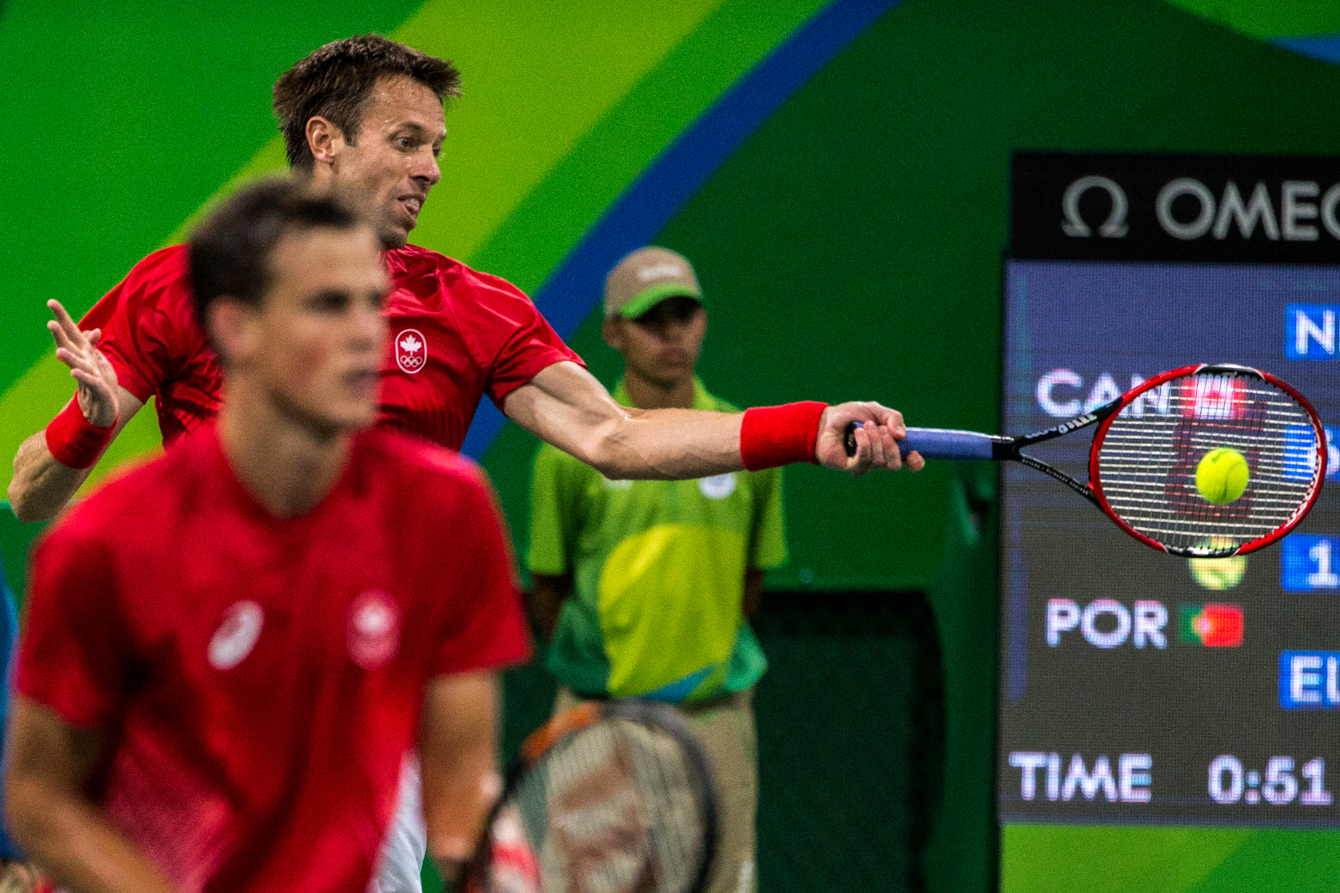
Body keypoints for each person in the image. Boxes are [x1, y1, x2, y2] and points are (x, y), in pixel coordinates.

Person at [5, 34, 922, 892]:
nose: (430, 169)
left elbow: (615, 436)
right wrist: (87, 428)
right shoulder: (184, 291)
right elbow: (27, 494)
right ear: (324, 140)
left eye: (437, 147)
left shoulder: (466, 320)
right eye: (406, 141)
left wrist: (804, 429)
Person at [4, 179, 530, 893]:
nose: (363, 336)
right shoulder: (108, 543)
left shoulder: (448, 513)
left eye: (372, 305)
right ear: (235, 327)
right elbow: (37, 795)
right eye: (326, 304)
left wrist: (497, 863)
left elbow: (462, 779)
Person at [529, 247, 783, 893]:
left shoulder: (747, 441)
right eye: (652, 319)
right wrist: (606, 679)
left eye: (685, 314)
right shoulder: (566, 452)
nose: (673, 332)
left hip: (716, 719)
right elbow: (548, 592)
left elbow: (750, 587)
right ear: (613, 331)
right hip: (599, 719)